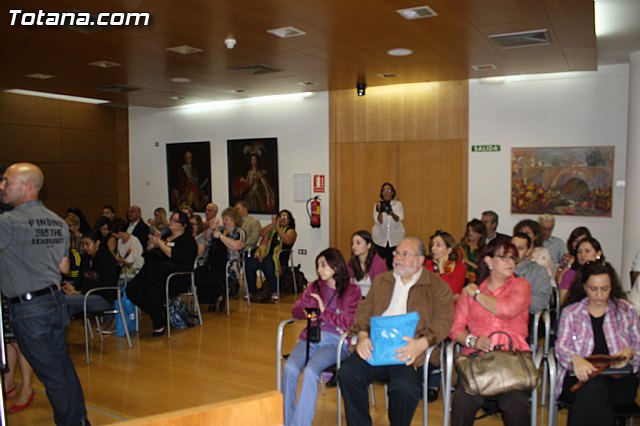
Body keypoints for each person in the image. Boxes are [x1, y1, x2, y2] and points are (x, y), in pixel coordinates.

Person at [0, 162, 89, 425]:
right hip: (54, 302)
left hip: (30, 310)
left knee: (54, 374)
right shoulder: (58, 222)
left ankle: (75, 423)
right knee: (60, 367)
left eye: (7, 181)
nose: (3, 186)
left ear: (27, 186)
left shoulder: (9, 223)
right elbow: (63, 267)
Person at [339, 237, 454, 426]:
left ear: (419, 261)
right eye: (397, 253)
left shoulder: (437, 287)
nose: (398, 258)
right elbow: (364, 308)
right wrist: (362, 335)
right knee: (347, 374)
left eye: (405, 254)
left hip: (409, 352)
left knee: (404, 389)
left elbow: (444, 321)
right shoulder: (382, 280)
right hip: (376, 347)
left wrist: (422, 343)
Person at [450, 239, 532, 426]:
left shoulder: (521, 285)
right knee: (463, 400)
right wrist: (473, 341)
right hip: (478, 361)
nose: (511, 262)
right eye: (504, 257)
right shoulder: (469, 292)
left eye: (513, 258)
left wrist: (477, 294)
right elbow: (455, 330)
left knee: (516, 404)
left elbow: (507, 309)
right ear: (488, 261)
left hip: (513, 360)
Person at [555, 261, 640, 426]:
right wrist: (575, 359)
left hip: (618, 379)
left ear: (612, 287)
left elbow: (638, 344)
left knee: (594, 391)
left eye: (605, 289)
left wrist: (630, 353)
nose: (599, 295)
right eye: (593, 289)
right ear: (585, 287)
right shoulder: (571, 313)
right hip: (580, 377)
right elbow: (560, 347)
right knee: (595, 391)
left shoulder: (626, 310)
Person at [283, 248, 362, 426]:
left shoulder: (352, 291)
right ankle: (287, 420)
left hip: (337, 342)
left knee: (311, 371)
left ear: (336, 266)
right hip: (311, 337)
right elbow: (296, 310)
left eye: (323, 265)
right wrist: (307, 313)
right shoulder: (314, 287)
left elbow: (349, 323)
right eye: (318, 265)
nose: (319, 270)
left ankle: (299, 424)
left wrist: (325, 311)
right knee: (290, 368)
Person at [127, 211, 197, 337]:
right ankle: (160, 312)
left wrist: (158, 243)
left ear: (183, 225)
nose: (172, 222)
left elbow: (172, 254)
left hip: (175, 277)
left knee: (151, 291)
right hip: (155, 273)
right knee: (132, 289)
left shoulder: (187, 241)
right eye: (171, 219)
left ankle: (159, 322)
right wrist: (153, 244)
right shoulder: (165, 236)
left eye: (176, 221)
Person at [198, 207, 245, 312]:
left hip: (228, 263)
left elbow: (236, 246)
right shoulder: (219, 230)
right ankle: (209, 300)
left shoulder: (238, 232)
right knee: (199, 274)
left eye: (227, 219)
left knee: (214, 277)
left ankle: (217, 298)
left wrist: (221, 237)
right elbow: (206, 242)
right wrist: (211, 230)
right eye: (224, 219)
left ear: (234, 220)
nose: (224, 222)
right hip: (212, 261)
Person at [61, 230, 119, 316]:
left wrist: (80, 292)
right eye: (83, 244)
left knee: (62, 301)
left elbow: (105, 285)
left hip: (102, 298)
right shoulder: (86, 258)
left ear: (97, 243)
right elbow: (81, 278)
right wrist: (72, 287)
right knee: (61, 301)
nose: (84, 247)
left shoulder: (108, 260)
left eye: (87, 244)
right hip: (87, 294)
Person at [245, 209, 297, 300]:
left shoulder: (291, 231)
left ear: (290, 220)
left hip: (279, 260)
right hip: (265, 256)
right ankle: (251, 291)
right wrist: (273, 225)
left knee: (269, 260)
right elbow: (261, 233)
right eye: (281, 216)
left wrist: (278, 228)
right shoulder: (272, 229)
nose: (283, 219)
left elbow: (287, 240)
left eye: (286, 217)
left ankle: (274, 290)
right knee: (250, 262)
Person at [559, 237, 604, 306]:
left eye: (587, 251)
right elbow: (563, 302)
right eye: (579, 252)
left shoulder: (605, 273)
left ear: (598, 254)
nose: (582, 255)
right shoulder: (570, 275)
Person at [372, 182, 405, 270]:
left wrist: (390, 212)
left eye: (389, 190)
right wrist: (380, 211)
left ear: (393, 193)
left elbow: (399, 219)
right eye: (385, 190)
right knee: (377, 264)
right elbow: (378, 222)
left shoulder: (398, 204)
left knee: (392, 265)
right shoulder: (377, 205)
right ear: (381, 193)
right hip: (380, 239)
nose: (387, 192)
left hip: (394, 239)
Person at [426, 230, 466, 302]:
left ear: (449, 250)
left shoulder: (460, 267)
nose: (433, 248)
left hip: (451, 309)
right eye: (432, 245)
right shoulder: (427, 265)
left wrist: (441, 268)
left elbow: (450, 291)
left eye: (438, 245)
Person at [346, 230, 387, 297]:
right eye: (352, 243)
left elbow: (381, 290)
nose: (354, 246)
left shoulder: (378, 264)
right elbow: (349, 287)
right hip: (356, 301)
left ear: (368, 245)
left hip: (373, 301)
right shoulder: (351, 263)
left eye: (358, 243)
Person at [111, 218, 145, 284]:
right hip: (123, 275)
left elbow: (140, 263)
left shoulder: (134, 241)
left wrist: (121, 260)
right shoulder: (120, 241)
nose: (112, 235)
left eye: (113, 233)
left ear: (119, 232)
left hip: (133, 275)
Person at [458, 219, 486, 285]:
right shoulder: (462, 246)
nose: (470, 233)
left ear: (480, 234)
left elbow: (483, 269)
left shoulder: (484, 249)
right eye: (469, 230)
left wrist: (467, 262)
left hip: (478, 280)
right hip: (461, 278)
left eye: (473, 231)